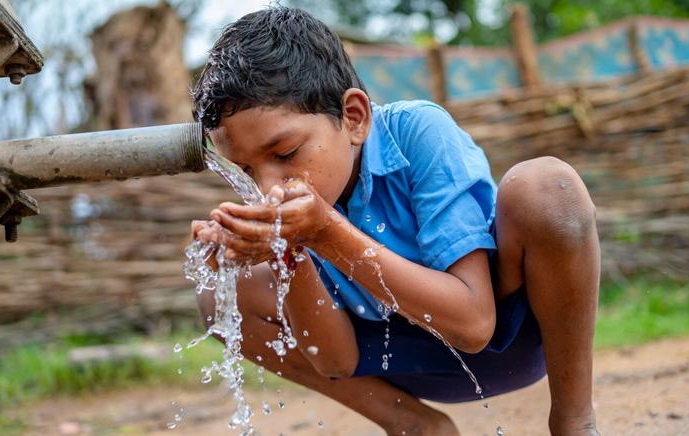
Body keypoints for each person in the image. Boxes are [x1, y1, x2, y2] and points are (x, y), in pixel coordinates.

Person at [190, 7, 600, 435]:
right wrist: (285, 254)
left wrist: (326, 233)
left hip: (505, 340)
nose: (268, 187)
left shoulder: (417, 133)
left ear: (354, 117)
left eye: (286, 154)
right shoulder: (297, 206)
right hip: (400, 361)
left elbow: (475, 326)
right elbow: (335, 362)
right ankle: (413, 424)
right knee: (221, 294)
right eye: (247, 172)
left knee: (549, 188)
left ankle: (575, 420)